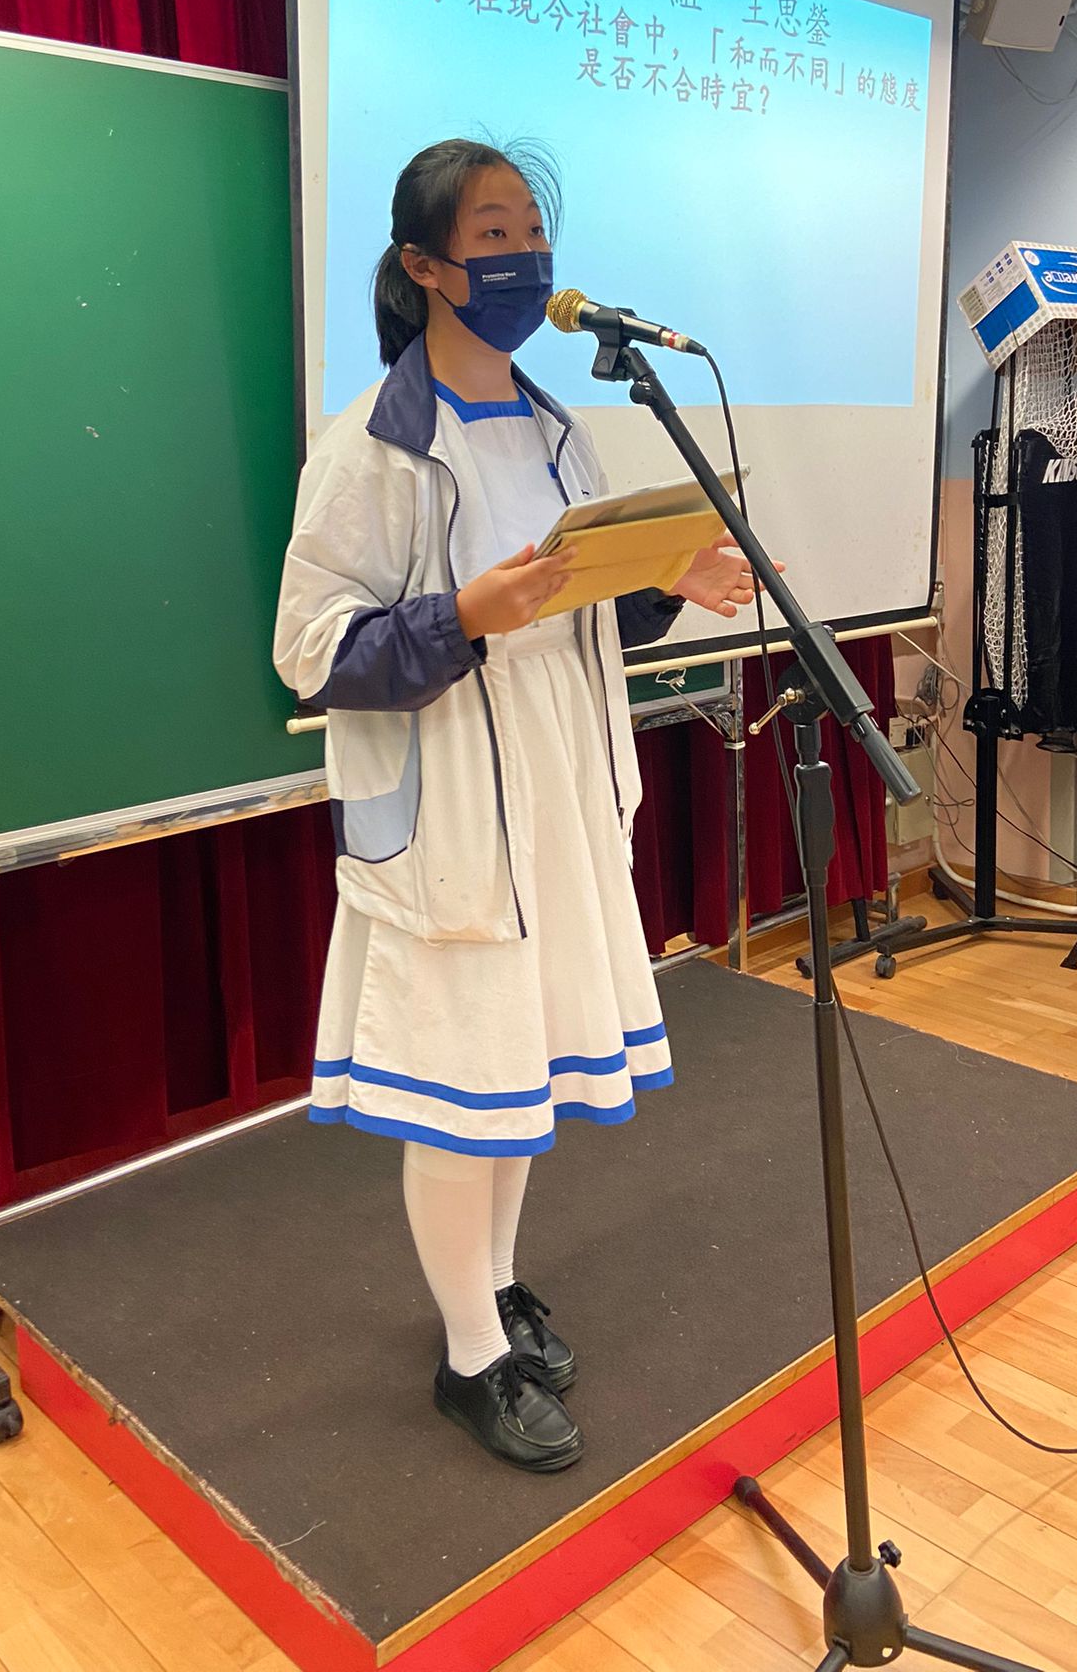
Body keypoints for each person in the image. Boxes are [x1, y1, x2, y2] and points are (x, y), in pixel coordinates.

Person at [274, 138, 756, 1472]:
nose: (525, 256)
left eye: (533, 230)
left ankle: (489, 1286)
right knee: (460, 1080)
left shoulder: (559, 431)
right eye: (493, 232)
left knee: (519, 1070)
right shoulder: (371, 449)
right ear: (425, 264)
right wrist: (462, 617)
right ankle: (470, 1357)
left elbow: (581, 605)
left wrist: (666, 581)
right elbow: (310, 651)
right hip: (450, 809)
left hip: (557, 795)